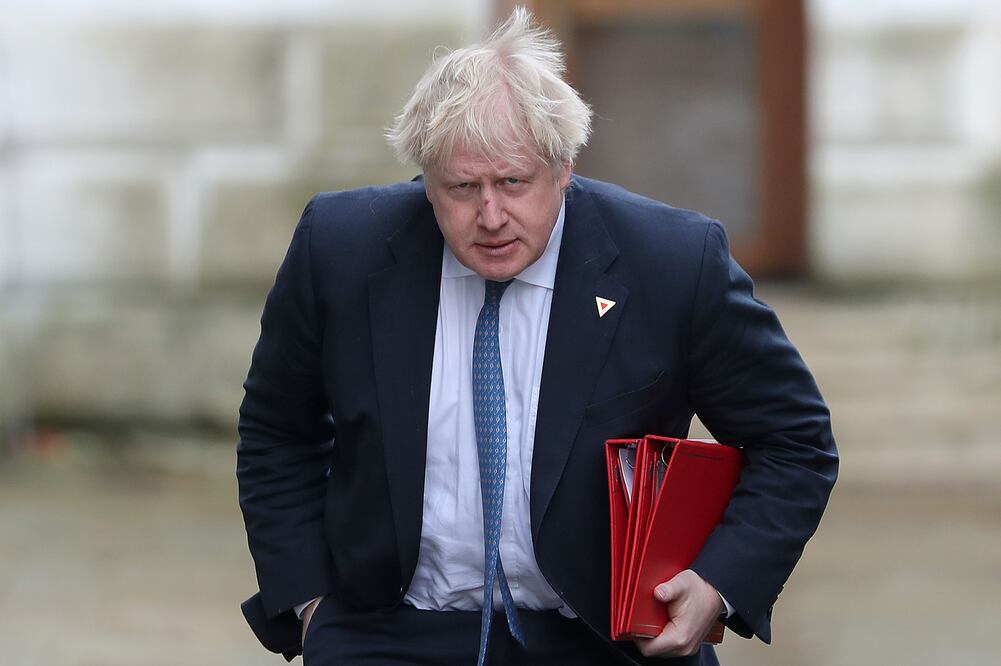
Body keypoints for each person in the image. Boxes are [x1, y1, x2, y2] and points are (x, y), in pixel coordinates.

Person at [237, 7, 837, 665]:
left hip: (603, 637)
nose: (490, 216)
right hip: (389, 629)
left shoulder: (669, 261)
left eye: (513, 183)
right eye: (462, 187)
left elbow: (793, 441)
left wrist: (717, 584)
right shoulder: (341, 247)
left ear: (563, 168)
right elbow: (277, 428)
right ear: (425, 181)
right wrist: (310, 603)